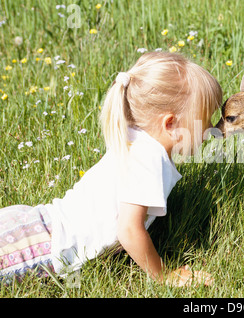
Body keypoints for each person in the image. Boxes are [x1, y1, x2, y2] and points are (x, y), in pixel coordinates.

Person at [0, 52, 222, 287]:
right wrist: (164, 275)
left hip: (37, 224)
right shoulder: (149, 160)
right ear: (170, 124)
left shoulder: (137, 139)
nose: (210, 128)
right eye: (205, 119)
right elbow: (128, 230)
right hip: (44, 248)